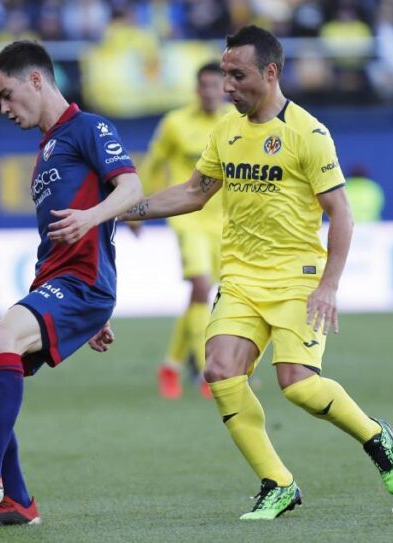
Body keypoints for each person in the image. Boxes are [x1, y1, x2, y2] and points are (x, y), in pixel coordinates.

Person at [121, 25, 393, 520]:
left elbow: (340, 212)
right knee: (219, 371)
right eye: (224, 75)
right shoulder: (225, 131)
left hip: (297, 278)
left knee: (297, 384)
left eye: (237, 75)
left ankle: (376, 436)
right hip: (240, 277)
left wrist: (329, 286)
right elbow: (194, 191)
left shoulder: (308, 133)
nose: (227, 86)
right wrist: (129, 209)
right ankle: (278, 483)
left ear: (270, 72)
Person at [0, 40, 142, 528]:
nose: (4, 108)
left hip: (82, 285)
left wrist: (89, 221)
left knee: (2, 339)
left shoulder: (89, 128)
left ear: (36, 80)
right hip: (61, 284)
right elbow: (76, 237)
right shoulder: (47, 150)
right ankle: (17, 502)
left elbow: (131, 189)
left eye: (7, 94)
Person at [138, 61, 230, 399]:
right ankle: (208, 372)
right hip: (187, 216)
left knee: (204, 294)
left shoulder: (233, 122)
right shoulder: (176, 123)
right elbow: (152, 163)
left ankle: (171, 365)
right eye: (203, 85)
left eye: (215, 85)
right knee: (202, 285)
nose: (209, 91)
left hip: (224, 221)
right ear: (196, 88)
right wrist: (137, 210)